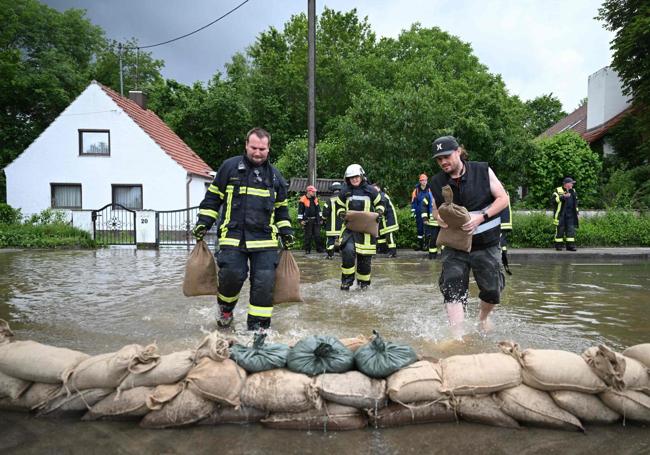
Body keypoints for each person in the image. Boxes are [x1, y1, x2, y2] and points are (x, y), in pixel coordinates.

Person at [191, 127, 294, 331]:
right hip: (233, 236)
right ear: (246, 145)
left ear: (269, 149)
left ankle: (258, 331)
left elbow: (281, 210)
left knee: (264, 284)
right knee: (231, 275)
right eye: (254, 147)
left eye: (262, 149)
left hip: (265, 240)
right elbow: (213, 199)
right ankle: (226, 309)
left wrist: (287, 232)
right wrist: (204, 222)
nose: (257, 153)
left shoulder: (276, 177)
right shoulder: (229, 168)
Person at [429, 136, 509, 337]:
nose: (443, 162)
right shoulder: (436, 182)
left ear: (458, 151)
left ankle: (483, 318)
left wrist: (481, 217)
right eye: (439, 160)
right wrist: (438, 219)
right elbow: (436, 209)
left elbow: (503, 199)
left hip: (486, 244)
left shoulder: (482, 171)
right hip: (455, 246)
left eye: (446, 157)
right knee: (452, 287)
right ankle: (458, 337)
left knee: (492, 292)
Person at [335, 164, 385, 290]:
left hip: (366, 231)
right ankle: (347, 281)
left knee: (364, 261)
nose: (354, 179)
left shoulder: (371, 190)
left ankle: (364, 286)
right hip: (349, 229)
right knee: (347, 252)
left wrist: (379, 213)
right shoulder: (344, 191)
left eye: (356, 176)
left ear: (361, 176)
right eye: (351, 177)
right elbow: (339, 206)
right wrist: (341, 213)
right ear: (347, 179)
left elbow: (381, 203)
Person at [552, 177, 579, 251]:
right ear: (566, 184)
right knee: (560, 230)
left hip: (570, 215)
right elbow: (554, 200)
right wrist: (563, 197)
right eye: (571, 183)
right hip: (561, 214)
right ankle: (558, 246)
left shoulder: (573, 191)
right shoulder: (558, 190)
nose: (572, 185)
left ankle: (570, 246)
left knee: (570, 231)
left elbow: (575, 203)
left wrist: (577, 213)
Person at [373, 183, 399, 257]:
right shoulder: (379, 196)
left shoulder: (382, 196)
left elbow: (382, 207)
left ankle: (393, 252)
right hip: (384, 218)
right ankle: (382, 249)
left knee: (389, 235)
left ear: (378, 188)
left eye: (375, 189)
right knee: (381, 235)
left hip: (389, 218)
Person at [297, 185, 324, 254]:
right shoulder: (302, 199)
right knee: (308, 236)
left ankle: (319, 249)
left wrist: (320, 218)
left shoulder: (315, 199)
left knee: (317, 235)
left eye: (314, 192)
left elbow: (319, 210)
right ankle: (307, 250)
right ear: (309, 191)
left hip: (316, 220)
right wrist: (300, 221)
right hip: (307, 220)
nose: (314, 193)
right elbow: (300, 212)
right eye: (313, 192)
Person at [411, 174, 434, 252]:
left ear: (427, 181)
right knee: (419, 229)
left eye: (425, 180)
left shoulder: (430, 189)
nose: (424, 182)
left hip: (427, 212)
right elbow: (413, 202)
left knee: (428, 229)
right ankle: (420, 245)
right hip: (418, 212)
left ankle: (427, 245)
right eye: (422, 180)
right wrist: (413, 212)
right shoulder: (416, 190)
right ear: (420, 181)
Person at [321, 181, 343, 259]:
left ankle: (330, 255)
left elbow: (325, 212)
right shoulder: (344, 199)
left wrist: (323, 219)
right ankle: (344, 255)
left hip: (331, 226)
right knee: (343, 240)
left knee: (330, 241)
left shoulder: (329, 200)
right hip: (343, 226)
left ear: (332, 190)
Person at [500, 195, 513, 275]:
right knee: (503, 242)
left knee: (500, 241)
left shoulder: (497, 191)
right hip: (506, 221)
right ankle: (504, 263)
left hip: (501, 221)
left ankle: (502, 261)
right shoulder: (504, 191)